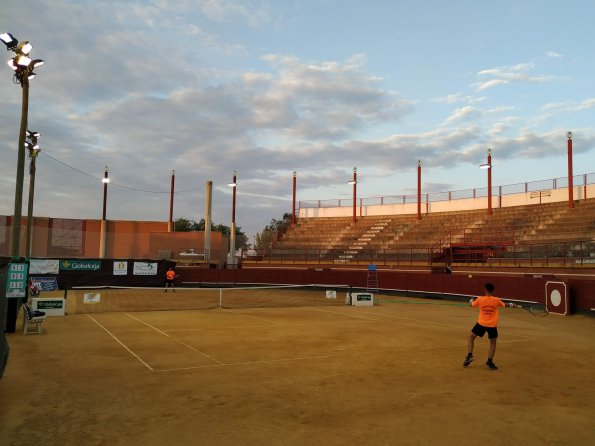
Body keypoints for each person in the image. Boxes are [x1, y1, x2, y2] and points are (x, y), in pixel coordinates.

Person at [463, 282, 516, 370]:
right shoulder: (496, 300)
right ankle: (489, 361)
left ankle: (469, 355)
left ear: (485, 290)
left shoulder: (480, 299)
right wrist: (512, 304)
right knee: (493, 342)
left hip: (481, 323)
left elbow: (471, 305)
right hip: (492, 325)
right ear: (493, 290)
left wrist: (471, 300)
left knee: (471, 336)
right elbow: (505, 305)